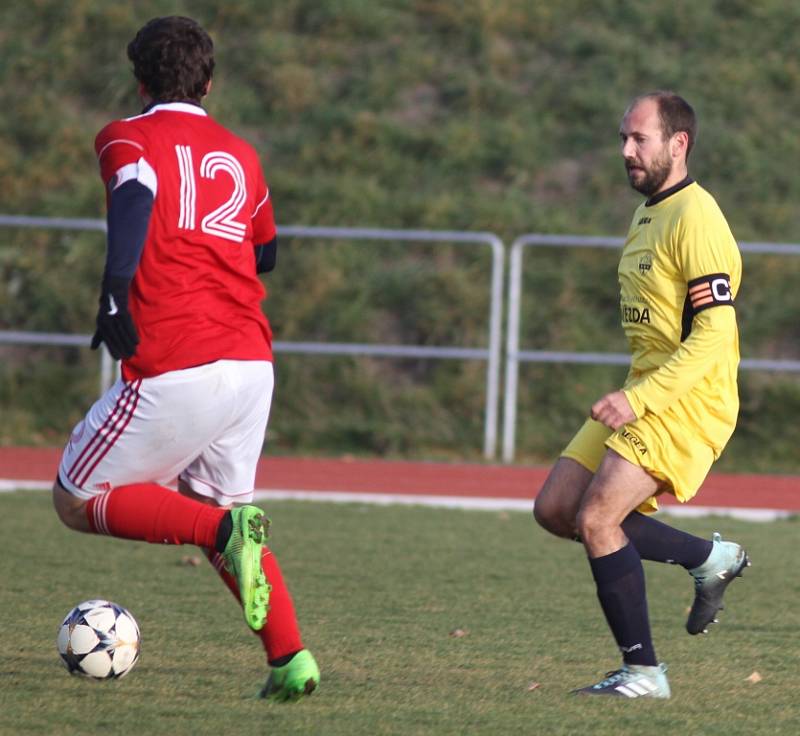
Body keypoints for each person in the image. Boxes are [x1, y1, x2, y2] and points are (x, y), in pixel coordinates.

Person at [51, 15, 319, 700]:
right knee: (221, 511)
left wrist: (115, 289)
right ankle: (291, 659)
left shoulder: (125, 135)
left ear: (138, 79)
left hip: (179, 357)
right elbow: (267, 252)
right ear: (209, 81)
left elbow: (137, 192)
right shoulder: (240, 151)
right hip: (251, 364)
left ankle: (222, 529)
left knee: (77, 496)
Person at [532, 91, 750, 699]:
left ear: (678, 144)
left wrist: (641, 398)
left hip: (688, 398)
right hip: (648, 387)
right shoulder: (649, 211)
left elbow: (713, 337)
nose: (626, 151)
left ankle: (644, 674)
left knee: (600, 519)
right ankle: (709, 558)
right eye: (623, 139)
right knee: (556, 510)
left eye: (640, 139)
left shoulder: (698, 218)